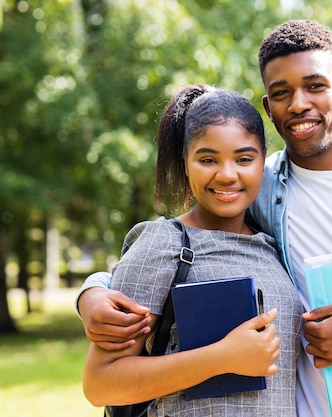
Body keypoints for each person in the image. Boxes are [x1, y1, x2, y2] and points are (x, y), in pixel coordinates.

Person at [78, 20, 332, 417]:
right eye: (281, 93)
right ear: (268, 105)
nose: (299, 104)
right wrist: (93, 294)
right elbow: (174, 246)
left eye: (315, 86)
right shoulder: (262, 187)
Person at [81, 85, 303, 417]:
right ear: (185, 163)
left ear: (262, 162)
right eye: (208, 159)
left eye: (244, 158)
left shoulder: (275, 245)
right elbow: (101, 383)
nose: (227, 175)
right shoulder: (165, 243)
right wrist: (222, 357)